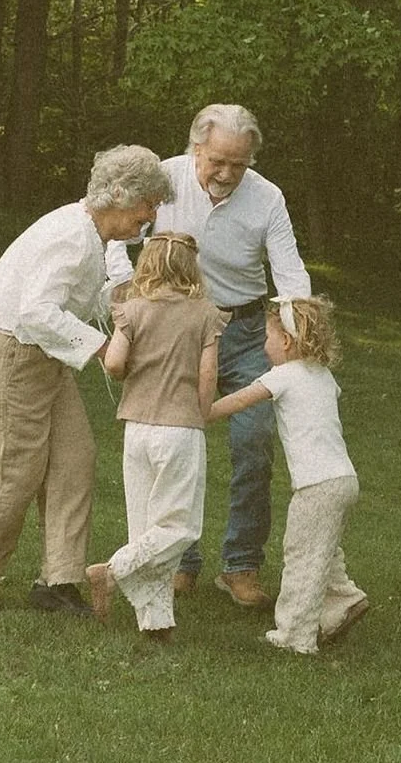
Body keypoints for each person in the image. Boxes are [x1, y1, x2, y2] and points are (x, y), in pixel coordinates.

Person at [0, 144, 174, 617]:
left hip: (42, 358)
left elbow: (96, 289)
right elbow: (36, 311)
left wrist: (129, 306)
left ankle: (58, 581)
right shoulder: (70, 234)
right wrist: (104, 347)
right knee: (16, 469)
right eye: (148, 204)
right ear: (120, 194)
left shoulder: (97, 235)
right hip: (10, 354)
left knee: (74, 459)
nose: (151, 216)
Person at [105, 103, 310, 609]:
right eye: (217, 161)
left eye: (238, 164)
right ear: (196, 147)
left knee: (254, 441)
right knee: (178, 447)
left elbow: (289, 271)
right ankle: (179, 561)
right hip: (175, 331)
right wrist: (121, 287)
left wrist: (299, 331)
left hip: (243, 331)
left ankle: (240, 565)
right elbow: (116, 233)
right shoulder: (164, 179)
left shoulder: (267, 198)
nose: (226, 174)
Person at [208, 295, 369, 655]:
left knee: (301, 554)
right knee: (323, 550)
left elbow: (238, 401)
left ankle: (295, 634)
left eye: (267, 336)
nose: (263, 345)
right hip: (343, 479)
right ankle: (344, 599)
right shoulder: (324, 376)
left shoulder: (281, 376)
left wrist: (196, 413)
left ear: (285, 341)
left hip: (316, 485)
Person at [86, 232, 222, 641]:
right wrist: (202, 413)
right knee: (180, 527)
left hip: (137, 428)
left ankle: (156, 621)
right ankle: (112, 571)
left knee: (144, 524)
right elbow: (208, 374)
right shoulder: (205, 314)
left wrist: (129, 371)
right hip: (180, 430)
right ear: (190, 267)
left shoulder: (132, 310)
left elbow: (113, 364)